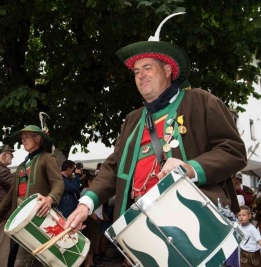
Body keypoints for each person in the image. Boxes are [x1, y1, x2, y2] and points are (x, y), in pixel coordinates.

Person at [65, 12, 247, 258]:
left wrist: (190, 168)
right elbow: (113, 167)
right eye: (136, 71)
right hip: (143, 229)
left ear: (168, 69)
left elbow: (233, 151)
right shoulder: (132, 119)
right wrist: (86, 203)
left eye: (147, 68)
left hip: (197, 221)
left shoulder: (200, 101)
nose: (140, 75)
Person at [0, 125, 64, 267]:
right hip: (22, 219)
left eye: (26, 136)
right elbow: (10, 196)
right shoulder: (21, 166)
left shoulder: (48, 158)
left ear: (38, 138)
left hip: (40, 217)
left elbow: (58, 183)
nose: (23, 140)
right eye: (22, 137)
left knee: (24, 262)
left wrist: (50, 198)